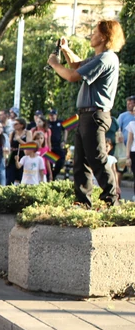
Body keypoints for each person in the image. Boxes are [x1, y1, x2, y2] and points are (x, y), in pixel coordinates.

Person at [48, 19, 125, 207]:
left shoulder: (106, 58)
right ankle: (82, 203)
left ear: (104, 36)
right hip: (87, 115)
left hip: (95, 115)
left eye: (95, 32)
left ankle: (111, 201)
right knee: (80, 162)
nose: (91, 35)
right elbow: (77, 65)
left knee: (97, 159)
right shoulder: (100, 57)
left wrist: (55, 64)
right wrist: (65, 49)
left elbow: (72, 76)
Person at [7, 118, 30, 185]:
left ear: (22, 125)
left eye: (16, 124)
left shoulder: (27, 133)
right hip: (13, 156)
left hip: (23, 155)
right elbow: (9, 145)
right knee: (10, 176)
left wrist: (19, 140)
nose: (14, 125)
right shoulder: (12, 133)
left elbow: (29, 146)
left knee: (21, 176)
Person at [47, 109, 66, 180]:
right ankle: (50, 177)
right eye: (51, 115)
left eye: (53, 115)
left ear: (56, 115)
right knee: (49, 163)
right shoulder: (47, 123)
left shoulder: (60, 122)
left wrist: (64, 140)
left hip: (58, 145)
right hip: (49, 146)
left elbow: (66, 129)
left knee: (61, 161)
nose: (52, 117)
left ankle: (54, 175)